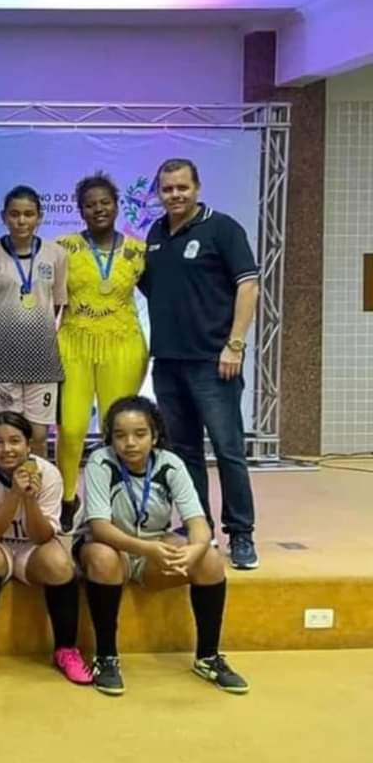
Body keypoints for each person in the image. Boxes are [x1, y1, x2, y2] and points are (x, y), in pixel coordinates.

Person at [76, 395, 249, 696]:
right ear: (110, 439)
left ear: (155, 436)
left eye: (140, 434)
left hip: (153, 545)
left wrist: (195, 551)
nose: (130, 442)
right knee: (103, 558)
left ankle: (208, 657)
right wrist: (147, 550)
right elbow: (100, 528)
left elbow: (198, 523)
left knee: (209, 560)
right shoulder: (100, 461)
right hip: (110, 545)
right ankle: (106, 657)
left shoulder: (170, 464)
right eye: (120, 435)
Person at [140, 158, 261, 570]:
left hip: (214, 362)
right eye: (167, 189)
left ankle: (241, 533)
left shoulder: (223, 229)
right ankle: (199, 527)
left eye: (182, 188)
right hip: (168, 363)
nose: (175, 195)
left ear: (197, 187)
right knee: (183, 451)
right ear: (158, 192)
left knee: (228, 450)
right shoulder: (155, 233)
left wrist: (235, 345)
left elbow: (249, 286)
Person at [0, 411, 92, 688]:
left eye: (14, 441)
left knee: (60, 563)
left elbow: (44, 536)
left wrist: (30, 499)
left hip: (33, 550)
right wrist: (14, 495)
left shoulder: (49, 474)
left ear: (28, 445)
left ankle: (66, 649)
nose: (6, 449)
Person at [56, 173, 148, 532]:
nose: (98, 209)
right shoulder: (62, 248)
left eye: (104, 202)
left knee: (118, 428)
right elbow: (28, 264)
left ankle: (117, 497)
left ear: (117, 204)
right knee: (72, 427)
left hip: (122, 346)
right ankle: (67, 497)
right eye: (90, 204)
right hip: (73, 345)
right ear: (80, 210)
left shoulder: (138, 251)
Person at [0, 186, 67, 457]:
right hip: (0, 360)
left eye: (28, 214)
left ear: (40, 217)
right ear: (3, 217)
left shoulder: (56, 255)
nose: (21, 221)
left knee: (38, 436)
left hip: (43, 360)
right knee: (8, 438)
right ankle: (7, 496)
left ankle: (38, 497)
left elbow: (57, 302)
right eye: (14, 214)